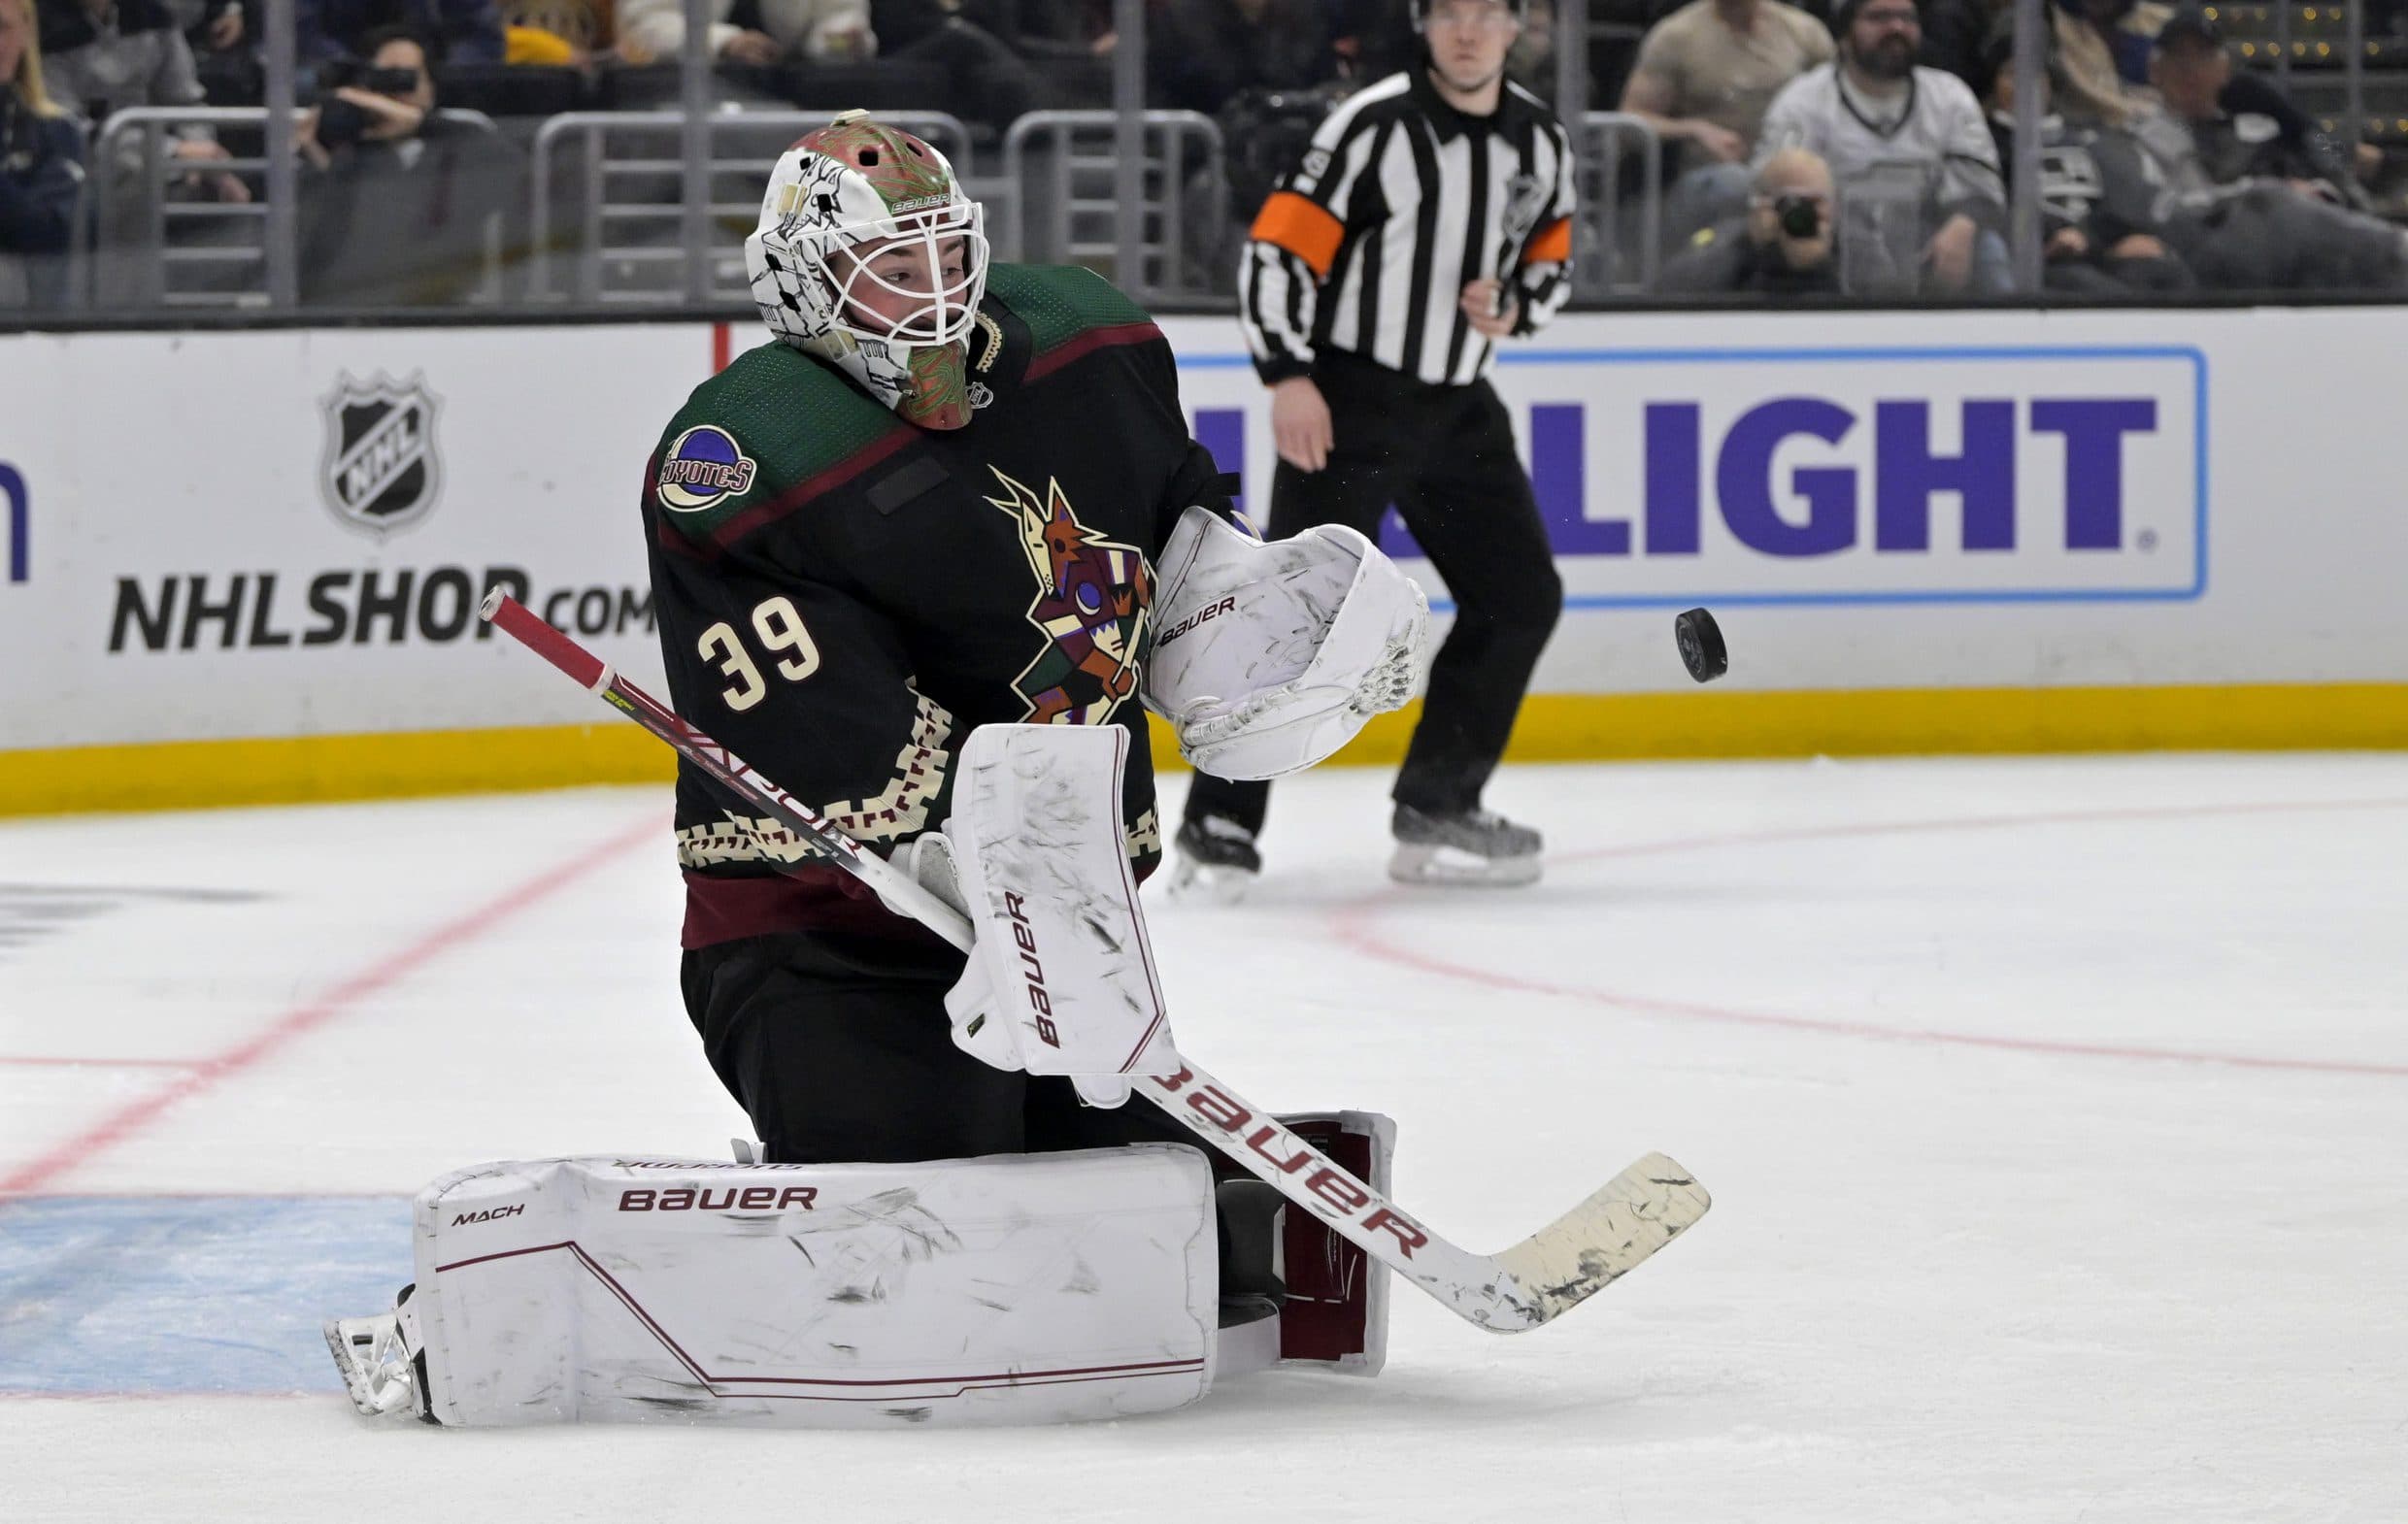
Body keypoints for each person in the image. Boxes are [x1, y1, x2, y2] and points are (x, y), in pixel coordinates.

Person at [1180, 0, 1575, 893]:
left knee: (1520, 597)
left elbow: (1550, 257)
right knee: (1295, 616)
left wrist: (1515, 307)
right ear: (1424, 24)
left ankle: (1439, 800)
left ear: (1518, 27)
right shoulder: (1374, 125)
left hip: (1460, 405)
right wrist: (1287, 375)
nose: (1468, 32)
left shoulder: (1539, 141)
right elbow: (1279, 251)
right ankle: (1217, 822)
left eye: (1487, 15)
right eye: (1450, 14)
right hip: (1350, 401)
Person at [1753, 0, 2009, 294]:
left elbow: (1984, 187)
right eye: (1879, 17)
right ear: (1844, 35)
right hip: (1831, 252)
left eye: (1906, 17)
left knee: (1988, 247)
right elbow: (1772, 193)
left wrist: (1963, 225)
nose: (1897, 27)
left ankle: (2009, 336)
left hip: (1930, 248)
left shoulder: (1950, 96)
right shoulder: (1802, 100)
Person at [293, 24, 520, 305]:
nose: (396, 91)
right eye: (384, 79)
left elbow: (514, 173)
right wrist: (317, 162)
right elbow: (313, 251)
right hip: (353, 301)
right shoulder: (347, 152)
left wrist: (419, 124)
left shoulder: (458, 144)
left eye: (407, 79)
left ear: (431, 88)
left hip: (435, 302)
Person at [1617, 0, 1835, 241]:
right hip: (1707, 184)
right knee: (1734, 184)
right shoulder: (1677, 35)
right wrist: (1694, 130)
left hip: (1791, 173)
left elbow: (1839, 96)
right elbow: (1631, 118)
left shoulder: (1805, 32)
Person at [1659, 145, 1845, 292]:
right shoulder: (1725, 245)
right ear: (1761, 203)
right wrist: (1759, 249)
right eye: (1792, 202)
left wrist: (1818, 265)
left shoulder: (1852, 248)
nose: (1804, 213)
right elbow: (1669, 288)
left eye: (1814, 202)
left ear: (1834, 205)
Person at [1, 0, 85, 312]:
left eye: (2, 27)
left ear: (25, 33)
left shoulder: (56, 130)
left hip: (27, 322)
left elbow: (48, 236)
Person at [296, 0, 504, 68]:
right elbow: (299, 37)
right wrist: (361, 74)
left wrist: (430, 77)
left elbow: (482, 39)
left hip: (434, 96)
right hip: (334, 91)